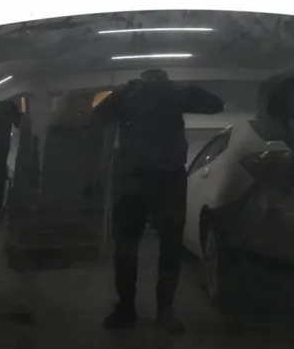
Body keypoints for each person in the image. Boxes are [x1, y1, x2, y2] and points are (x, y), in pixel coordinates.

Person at [94, 69, 224, 333]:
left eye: (157, 80)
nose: (153, 84)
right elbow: (98, 116)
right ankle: (138, 308)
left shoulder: (159, 95)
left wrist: (170, 88)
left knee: (157, 246)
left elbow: (215, 105)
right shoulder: (135, 96)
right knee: (141, 247)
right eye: (149, 80)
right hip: (149, 179)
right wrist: (160, 88)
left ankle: (151, 309)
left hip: (156, 179)